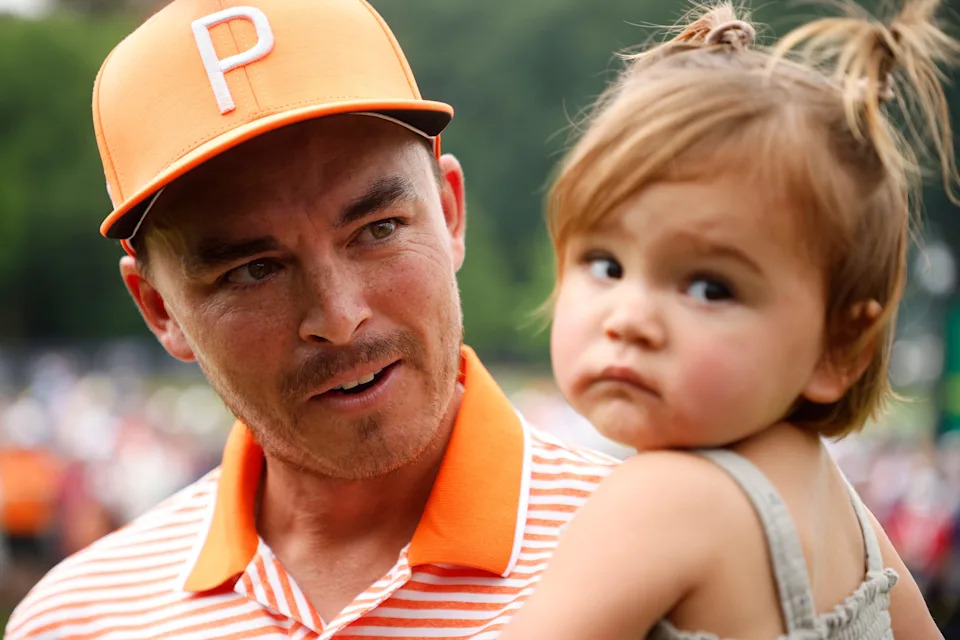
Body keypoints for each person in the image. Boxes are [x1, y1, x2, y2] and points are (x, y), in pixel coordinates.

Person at [3, 0, 618, 638]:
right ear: (160, 309)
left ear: (449, 212)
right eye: (254, 270)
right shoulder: (75, 621)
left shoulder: (657, 571)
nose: (340, 318)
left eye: (378, 229)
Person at [500, 1, 956, 638]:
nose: (629, 318)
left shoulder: (661, 499)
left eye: (710, 287)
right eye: (606, 265)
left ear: (840, 347)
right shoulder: (847, 518)